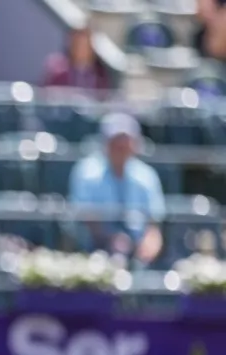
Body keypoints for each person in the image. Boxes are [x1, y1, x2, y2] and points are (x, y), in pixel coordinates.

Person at [67, 112, 165, 267]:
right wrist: (112, 239)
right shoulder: (86, 172)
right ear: (105, 144)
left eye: (126, 142)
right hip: (94, 246)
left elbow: (153, 224)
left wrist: (147, 248)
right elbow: (86, 218)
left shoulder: (147, 175)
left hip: (137, 249)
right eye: (116, 142)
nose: (121, 147)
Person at [41, 25, 111, 92]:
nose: (81, 50)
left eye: (84, 46)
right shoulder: (58, 71)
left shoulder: (100, 75)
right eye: (78, 45)